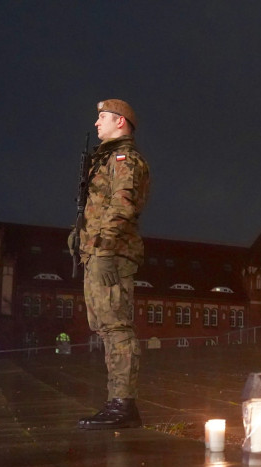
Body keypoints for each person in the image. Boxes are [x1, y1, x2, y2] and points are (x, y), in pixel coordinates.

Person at [71, 99, 150, 429]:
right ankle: (116, 402)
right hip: (98, 253)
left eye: (102, 117)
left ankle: (123, 404)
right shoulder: (104, 159)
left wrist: (103, 249)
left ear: (120, 122)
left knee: (117, 327)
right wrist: (81, 233)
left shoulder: (125, 159)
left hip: (112, 255)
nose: (96, 123)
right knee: (104, 326)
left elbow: (123, 207)